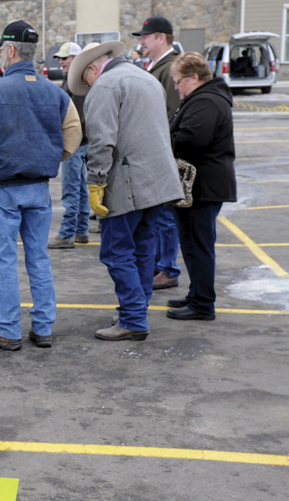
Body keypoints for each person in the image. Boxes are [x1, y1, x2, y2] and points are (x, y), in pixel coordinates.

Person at [0, 21, 81, 351]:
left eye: (1, 50)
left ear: (11, 50)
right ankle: (43, 326)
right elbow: (72, 135)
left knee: (3, 260)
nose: (0, 56)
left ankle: (8, 330)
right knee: (38, 257)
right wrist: (50, 158)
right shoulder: (56, 93)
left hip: (4, 187)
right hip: (39, 186)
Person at [69, 41, 184, 341]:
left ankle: (133, 318)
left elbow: (102, 142)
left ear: (93, 68)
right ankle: (136, 310)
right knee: (144, 247)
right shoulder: (146, 77)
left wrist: (96, 183)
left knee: (116, 251)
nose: (87, 85)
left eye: (85, 80)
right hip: (158, 182)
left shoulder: (105, 86)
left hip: (128, 183)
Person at [167, 52, 236, 321]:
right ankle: (197, 294)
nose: (176, 87)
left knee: (198, 244)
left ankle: (203, 304)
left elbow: (192, 140)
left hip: (202, 187)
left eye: (178, 81)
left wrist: (166, 139)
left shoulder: (206, 101)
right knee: (193, 243)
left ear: (194, 78)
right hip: (200, 185)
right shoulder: (203, 98)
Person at [134, 15, 182, 292]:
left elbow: (172, 116)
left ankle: (168, 268)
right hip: (156, 152)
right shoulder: (159, 66)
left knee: (165, 216)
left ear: (161, 38)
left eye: (145, 37)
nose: (141, 42)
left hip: (163, 153)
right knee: (159, 215)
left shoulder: (170, 67)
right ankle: (159, 265)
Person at [48, 41, 90, 249]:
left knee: (72, 189)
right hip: (81, 142)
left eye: (65, 58)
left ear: (76, 59)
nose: (61, 62)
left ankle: (67, 234)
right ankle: (81, 230)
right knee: (81, 187)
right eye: (60, 58)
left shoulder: (76, 82)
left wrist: (67, 139)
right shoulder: (76, 79)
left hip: (76, 142)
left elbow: (78, 117)